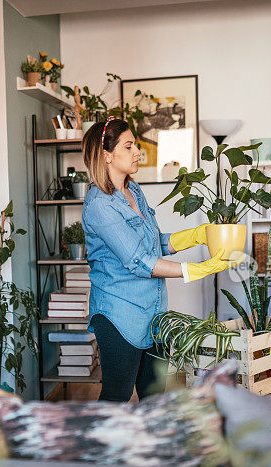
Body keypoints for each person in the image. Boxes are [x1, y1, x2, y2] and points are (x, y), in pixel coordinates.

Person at [81, 117, 240, 402]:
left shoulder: (134, 191)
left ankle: (150, 445)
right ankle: (103, 446)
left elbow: (154, 243)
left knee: (154, 395)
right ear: (106, 155)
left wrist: (196, 235)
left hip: (154, 313)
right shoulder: (99, 205)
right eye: (128, 146)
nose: (137, 152)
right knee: (116, 396)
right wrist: (198, 270)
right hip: (119, 315)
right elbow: (140, 262)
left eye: (135, 146)